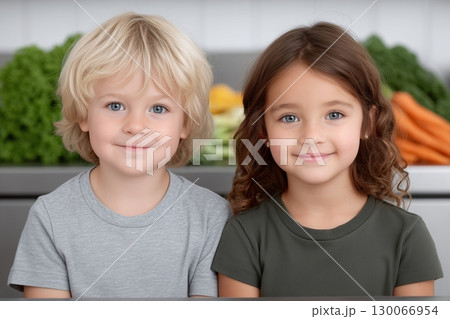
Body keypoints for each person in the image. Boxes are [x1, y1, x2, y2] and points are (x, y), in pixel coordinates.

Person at [211, 22, 443, 297]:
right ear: (263, 131)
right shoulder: (244, 236)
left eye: (334, 115)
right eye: (289, 118)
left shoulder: (406, 236)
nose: (311, 136)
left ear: (367, 123)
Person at [8, 12, 230, 299]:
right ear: (83, 113)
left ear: (185, 124)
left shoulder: (212, 217)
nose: (136, 126)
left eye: (159, 109)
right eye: (115, 105)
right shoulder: (50, 216)